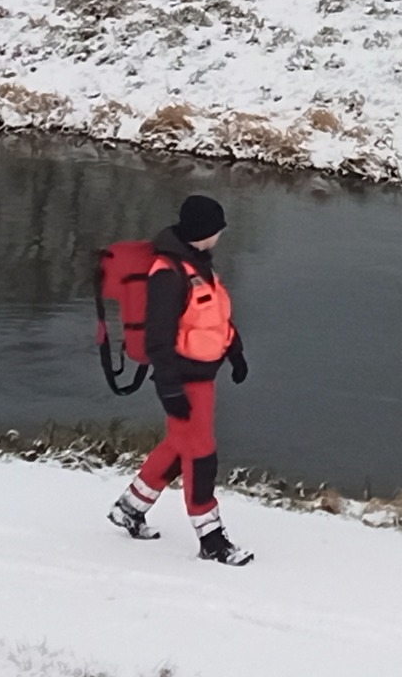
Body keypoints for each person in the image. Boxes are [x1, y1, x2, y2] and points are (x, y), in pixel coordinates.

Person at [108, 194, 254, 565]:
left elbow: (213, 318)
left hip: (203, 375)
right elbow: (159, 338)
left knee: (179, 445)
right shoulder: (167, 274)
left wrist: (235, 352)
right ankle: (212, 538)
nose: (221, 234)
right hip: (183, 379)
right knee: (201, 453)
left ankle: (130, 507)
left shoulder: (200, 267)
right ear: (203, 232)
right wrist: (170, 387)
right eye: (217, 229)